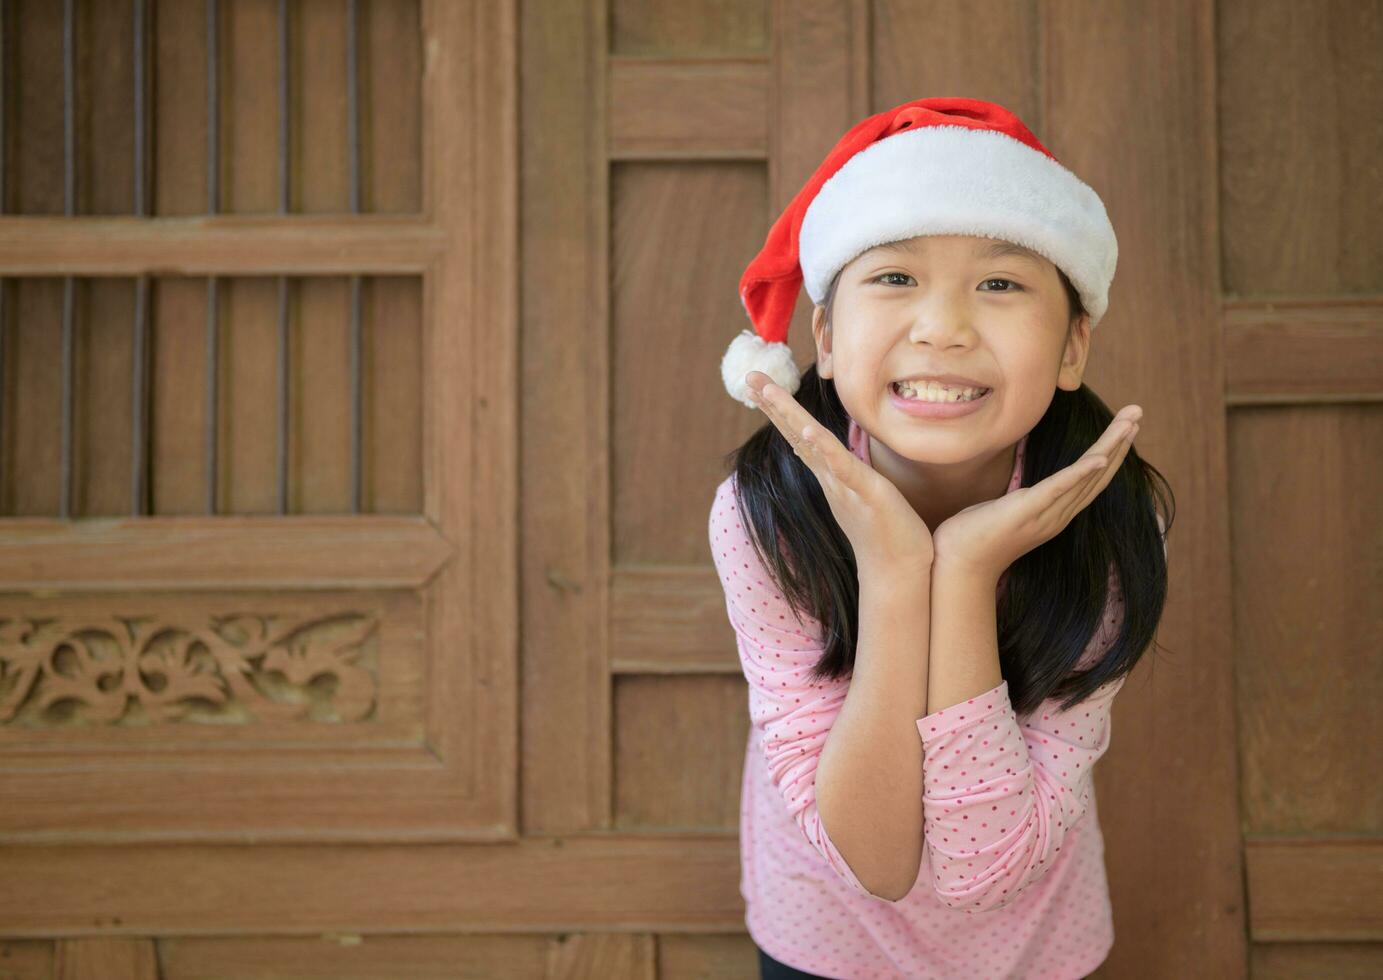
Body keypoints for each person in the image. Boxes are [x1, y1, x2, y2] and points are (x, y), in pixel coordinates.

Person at [708, 97, 1174, 980]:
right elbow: (877, 864)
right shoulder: (763, 511)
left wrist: (962, 571)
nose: (943, 327)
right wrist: (894, 574)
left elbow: (980, 868)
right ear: (826, 338)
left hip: (1033, 940)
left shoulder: (1110, 523)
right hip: (826, 926)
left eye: (999, 284)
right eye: (893, 278)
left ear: (1075, 346)